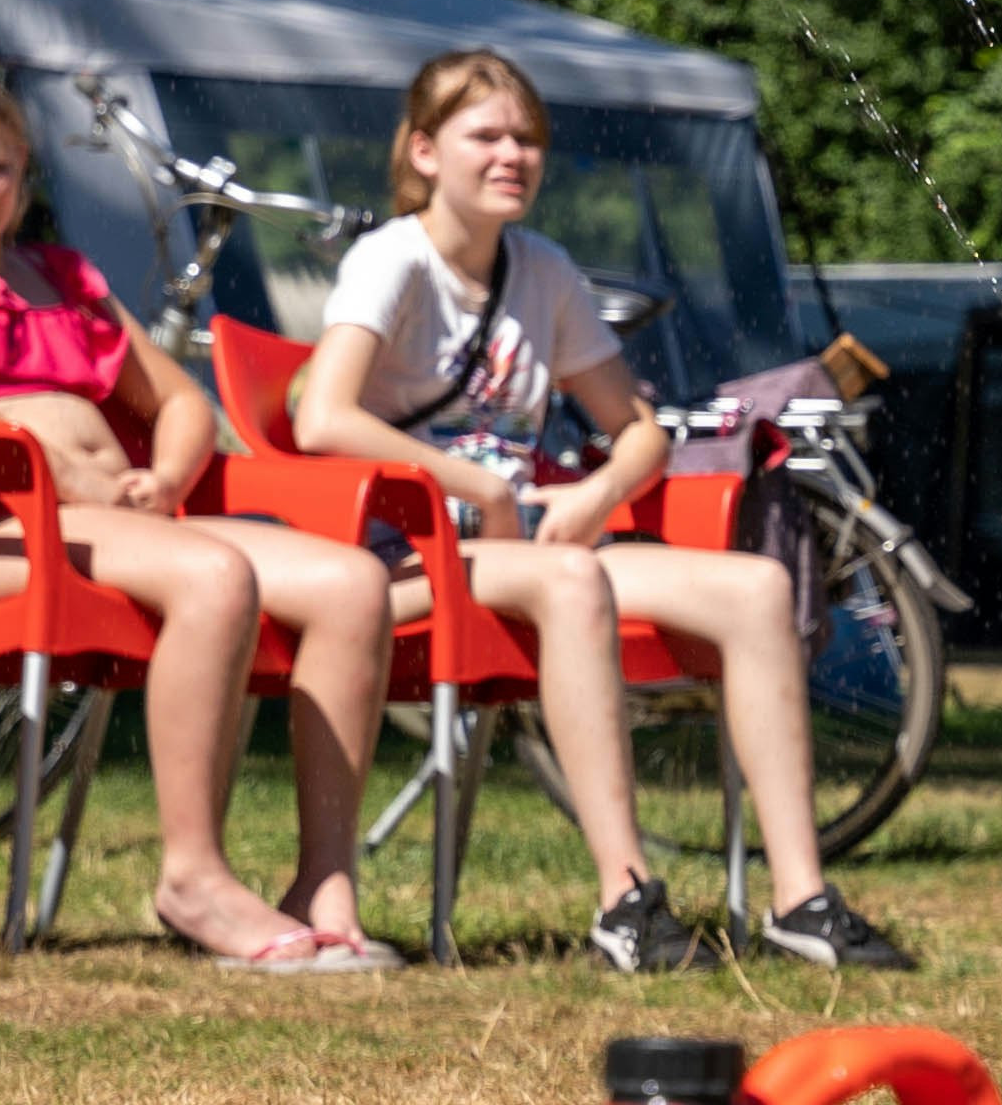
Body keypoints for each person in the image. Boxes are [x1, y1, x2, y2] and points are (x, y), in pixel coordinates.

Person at [287, 48, 914, 975]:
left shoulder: (541, 269)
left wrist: (596, 493)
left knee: (757, 587)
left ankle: (800, 899)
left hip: (530, 536)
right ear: (423, 151)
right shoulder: (394, 260)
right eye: (486, 136)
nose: (514, 155)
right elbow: (322, 417)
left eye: (529, 139)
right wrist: (480, 487)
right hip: (405, 545)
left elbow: (640, 431)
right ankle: (627, 899)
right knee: (575, 577)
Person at [0, 51, 402, 971]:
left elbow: (178, 400)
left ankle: (322, 877)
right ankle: (192, 874)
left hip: (119, 518)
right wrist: (51, 458)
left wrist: (167, 477)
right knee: (217, 576)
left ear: (24, 167)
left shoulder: (62, 276)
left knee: (354, 585)